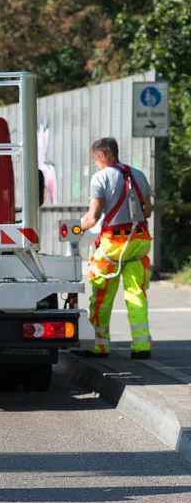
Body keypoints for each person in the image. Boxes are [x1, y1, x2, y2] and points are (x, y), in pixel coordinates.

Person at [80, 137, 154, 359]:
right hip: (140, 241)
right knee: (136, 294)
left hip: (114, 244)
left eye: (96, 159)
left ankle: (98, 346)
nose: (96, 164)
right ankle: (142, 347)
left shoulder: (100, 178)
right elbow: (148, 211)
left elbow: (93, 218)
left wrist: (76, 228)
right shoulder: (138, 174)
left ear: (103, 156)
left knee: (102, 295)